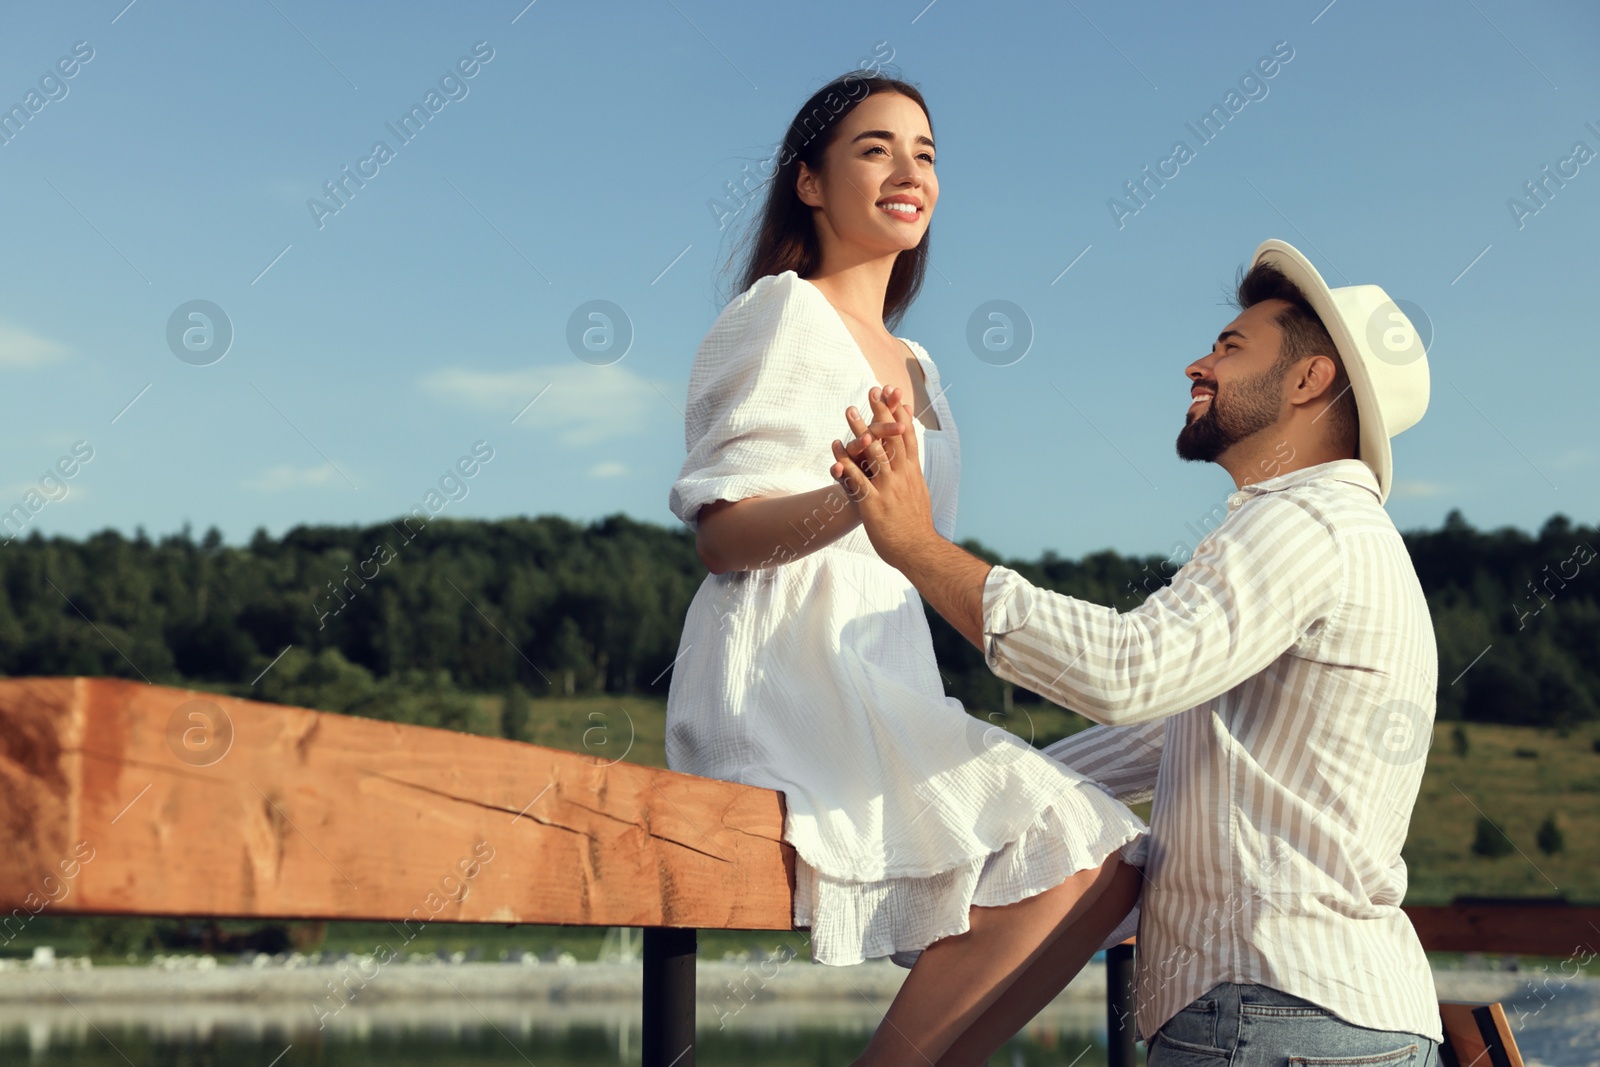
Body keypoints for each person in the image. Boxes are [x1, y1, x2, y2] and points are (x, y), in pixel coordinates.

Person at [831, 239, 1443, 1065]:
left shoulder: (1303, 524)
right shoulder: (1333, 537)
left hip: (1269, 1015)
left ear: (1308, 381)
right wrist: (937, 807)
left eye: (1231, 347)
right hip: (1315, 1019)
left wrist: (916, 546)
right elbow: (1139, 740)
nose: (1198, 362)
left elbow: (1128, 671)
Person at [665, 71, 1148, 1066]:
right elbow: (720, 534)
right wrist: (851, 502)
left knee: (1106, 859)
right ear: (809, 182)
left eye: (925, 153)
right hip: (785, 685)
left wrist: (898, 522)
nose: (907, 170)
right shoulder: (781, 315)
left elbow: (911, 551)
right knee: (1079, 840)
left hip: (887, 679)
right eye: (875, 147)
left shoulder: (919, 368)